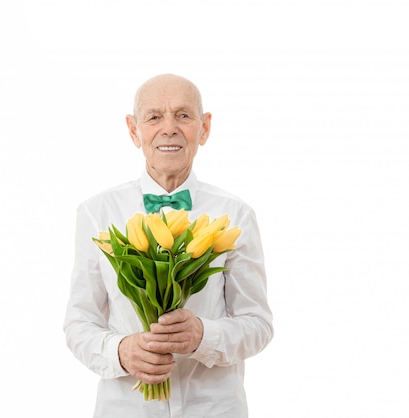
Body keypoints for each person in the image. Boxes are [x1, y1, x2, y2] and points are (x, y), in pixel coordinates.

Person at [63, 74, 274, 417]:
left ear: (204, 128)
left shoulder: (235, 214)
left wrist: (203, 335)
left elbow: (258, 325)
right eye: (154, 117)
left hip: (214, 409)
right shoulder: (96, 213)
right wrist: (121, 350)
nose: (169, 128)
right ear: (134, 130)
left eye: (184, 115)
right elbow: (79, 323)